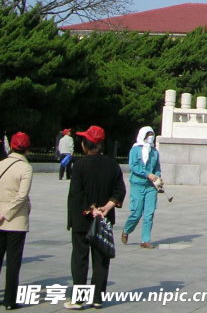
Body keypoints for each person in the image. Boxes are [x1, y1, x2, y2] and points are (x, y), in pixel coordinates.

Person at [66, 126, 126, 309]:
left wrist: (91, 210)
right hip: (104, 220)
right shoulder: (112, 165)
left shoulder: (80, 165)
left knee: (80, 259)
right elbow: (120, 190)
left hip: (82, 220)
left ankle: (78, 299)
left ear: (86, 144)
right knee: (101, 259)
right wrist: (107, 206)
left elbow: (77, 193)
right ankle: (97, 298)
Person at [0, 132, 32, 311]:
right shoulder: (25, 168)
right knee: (13, 262)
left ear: (11, 146)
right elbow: (22, 195)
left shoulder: (1, 164)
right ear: (27, 148)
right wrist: (7, 213)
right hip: (16, 220)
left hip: (0, 219)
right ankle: (10, 300)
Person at [121, 126, 161, 248]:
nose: (150, 137)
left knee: (149, 214)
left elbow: (157, 167)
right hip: (137, 185)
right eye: (148, 135)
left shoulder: (155, 152)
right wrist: (147, 174)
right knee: (136, 213)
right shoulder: (135, 150)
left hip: (150, 187)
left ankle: (145, 240)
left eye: (152, 135)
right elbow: (133, 166)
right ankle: (127, 230)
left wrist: (157, 177)